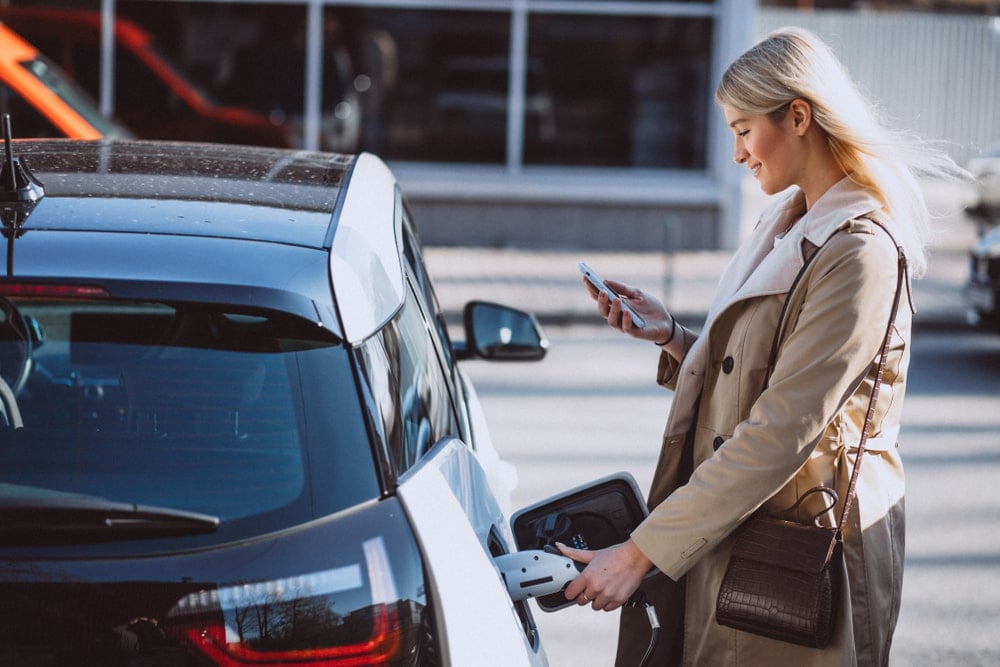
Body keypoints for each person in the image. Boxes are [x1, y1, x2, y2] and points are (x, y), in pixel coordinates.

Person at [556, 27, 963, 666]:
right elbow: (762, 372)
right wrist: (672, 336)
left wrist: (640, 553)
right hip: (744, 530)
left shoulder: (859, 251)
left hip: (799, 549)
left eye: (745, 129)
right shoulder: (790, 223)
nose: (740, 153)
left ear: (797, 116)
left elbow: (782, 429)